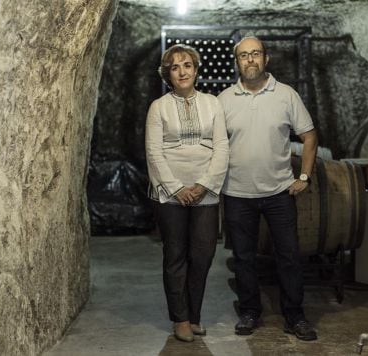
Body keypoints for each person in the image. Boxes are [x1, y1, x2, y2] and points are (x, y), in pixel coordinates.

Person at [218, 36, 319, 341]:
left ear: (266, 59)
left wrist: (304, 177)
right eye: (244, 56)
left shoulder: (286, 95)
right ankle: (250, 312)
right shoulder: (224, 99)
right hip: (237, 192)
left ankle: (295, 316)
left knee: (288, 256)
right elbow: (213, 145)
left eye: (256, 54)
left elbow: (310, 137)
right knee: (244, 258)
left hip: (279, 192)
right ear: (237, 62)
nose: (250, 60)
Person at [145, 44, 229, 342]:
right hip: (171, 195)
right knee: (176, 255)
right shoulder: (159, 107)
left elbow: (221, 148)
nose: (182, 71)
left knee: (203, 254)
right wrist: (177, 188)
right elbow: (154, 153)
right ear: (168, 73)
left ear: (196, 68)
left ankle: (195, 315)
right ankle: (180, 318)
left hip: (205, 191)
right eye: (175, 66)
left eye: (187, 65)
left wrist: (204, 184)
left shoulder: (212, 103)